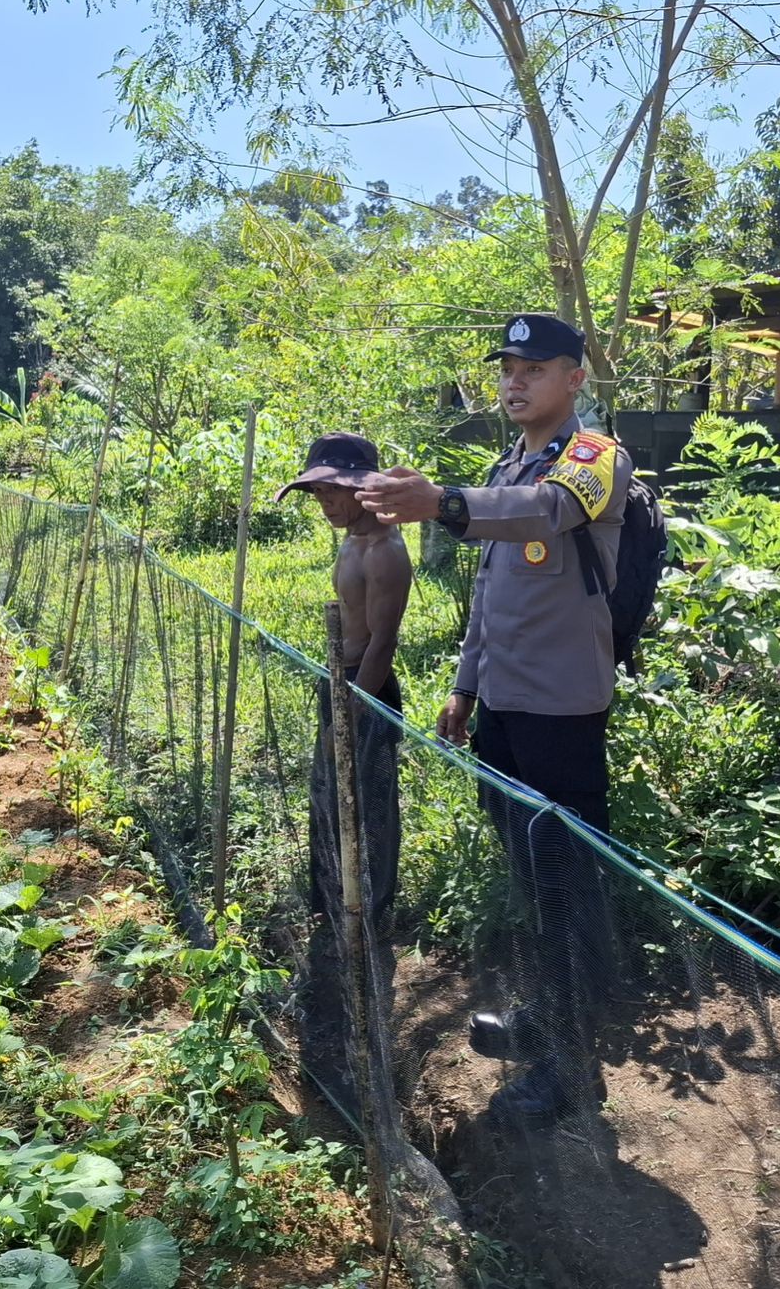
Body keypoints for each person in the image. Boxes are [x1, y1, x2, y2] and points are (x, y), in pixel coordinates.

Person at [356, 313, 631, 1123]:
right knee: (530, 876)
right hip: (505, 709)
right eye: (507, 367)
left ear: (575, 378)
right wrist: (465, 686)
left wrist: (440, 501)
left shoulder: (596, 459)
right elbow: (489, 593)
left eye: (535, 368)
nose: (514, 381)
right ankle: (547, 1022)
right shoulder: (509, 462)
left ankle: (573, 1070)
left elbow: (546, 514)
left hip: (561, 712)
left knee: (565, 886)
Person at [277, 432, 412, 1107]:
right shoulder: (350, 541)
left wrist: (356, 710)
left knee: (370, 803)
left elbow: (384, 638)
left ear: (364, 486)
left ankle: (373, 913)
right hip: (340, 681)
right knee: (328, 798)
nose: (326, 501)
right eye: (319, 491)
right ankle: (334, 897)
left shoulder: (386, 550)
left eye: (335, 489)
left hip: (367, 688)